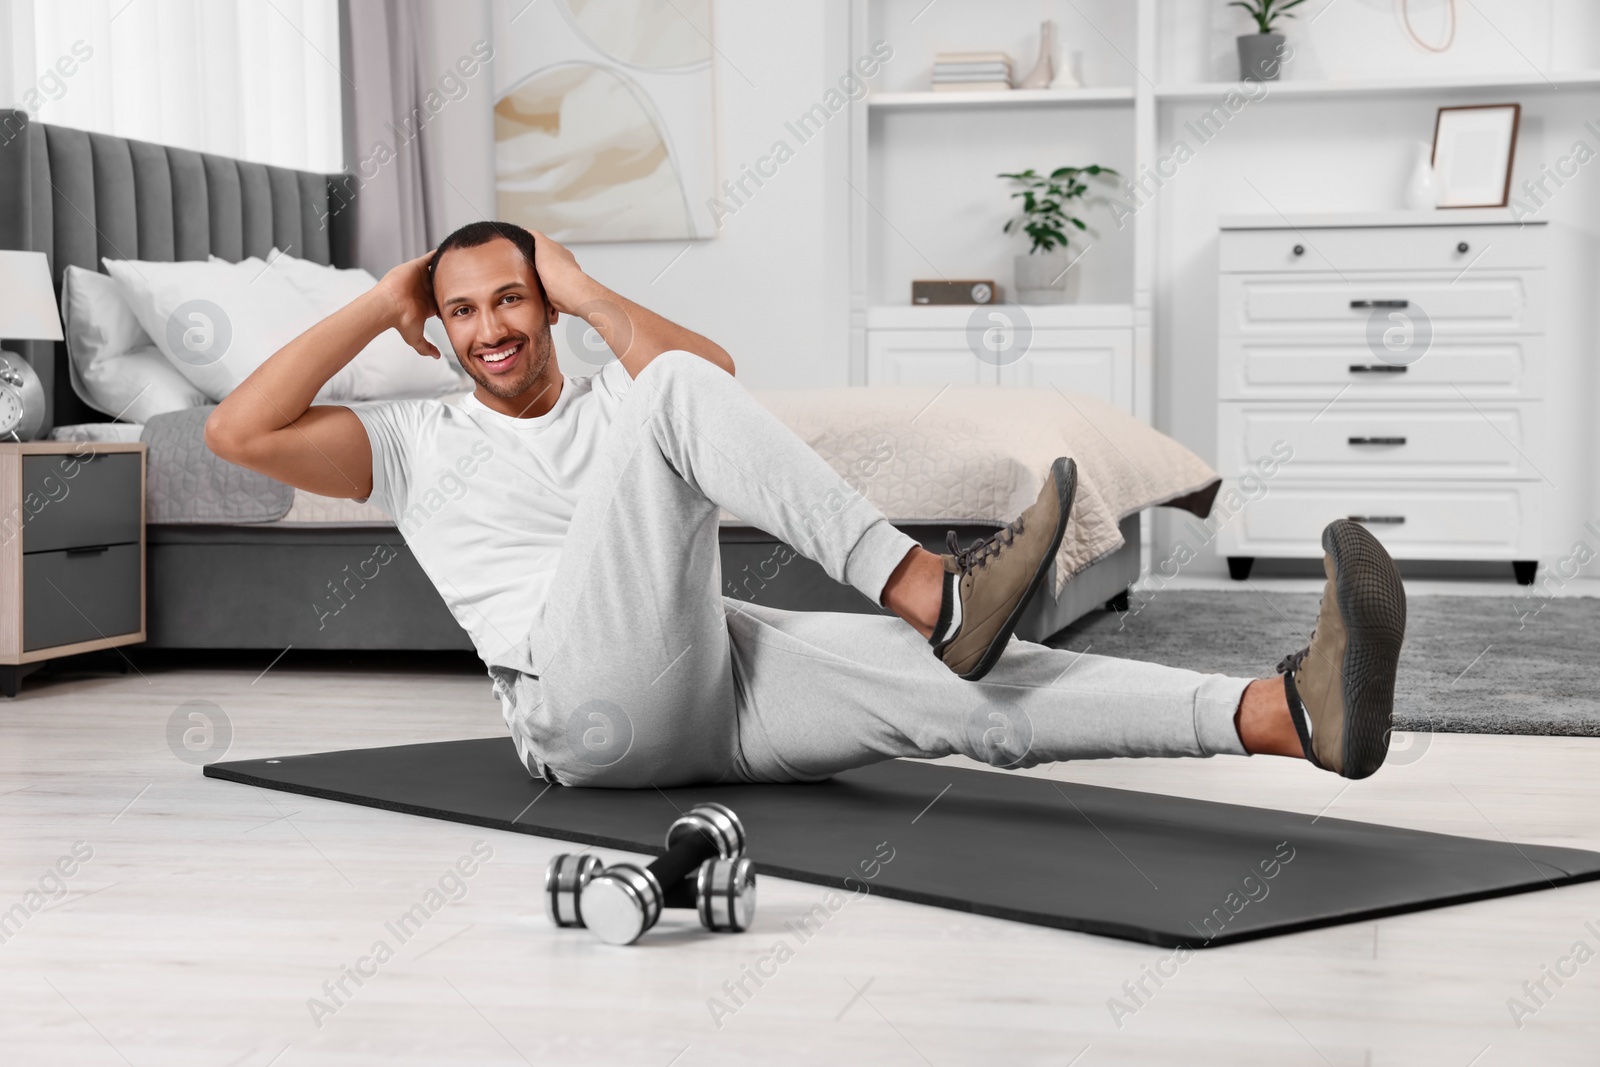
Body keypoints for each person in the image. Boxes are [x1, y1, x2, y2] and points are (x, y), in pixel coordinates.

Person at [207, 221, 1408, 789]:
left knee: (968, 691)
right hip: (575, 711)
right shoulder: (411, 442)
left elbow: (712, 390)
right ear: (441, 324)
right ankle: (932, 586)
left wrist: (584, 280)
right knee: (671, 390)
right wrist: (383, 299)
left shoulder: (611, 404)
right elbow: (235, 431)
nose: (490, 330)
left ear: (548, 304)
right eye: (462, 310)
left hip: (708, 681)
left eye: (514, 299)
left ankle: (1282, 715)